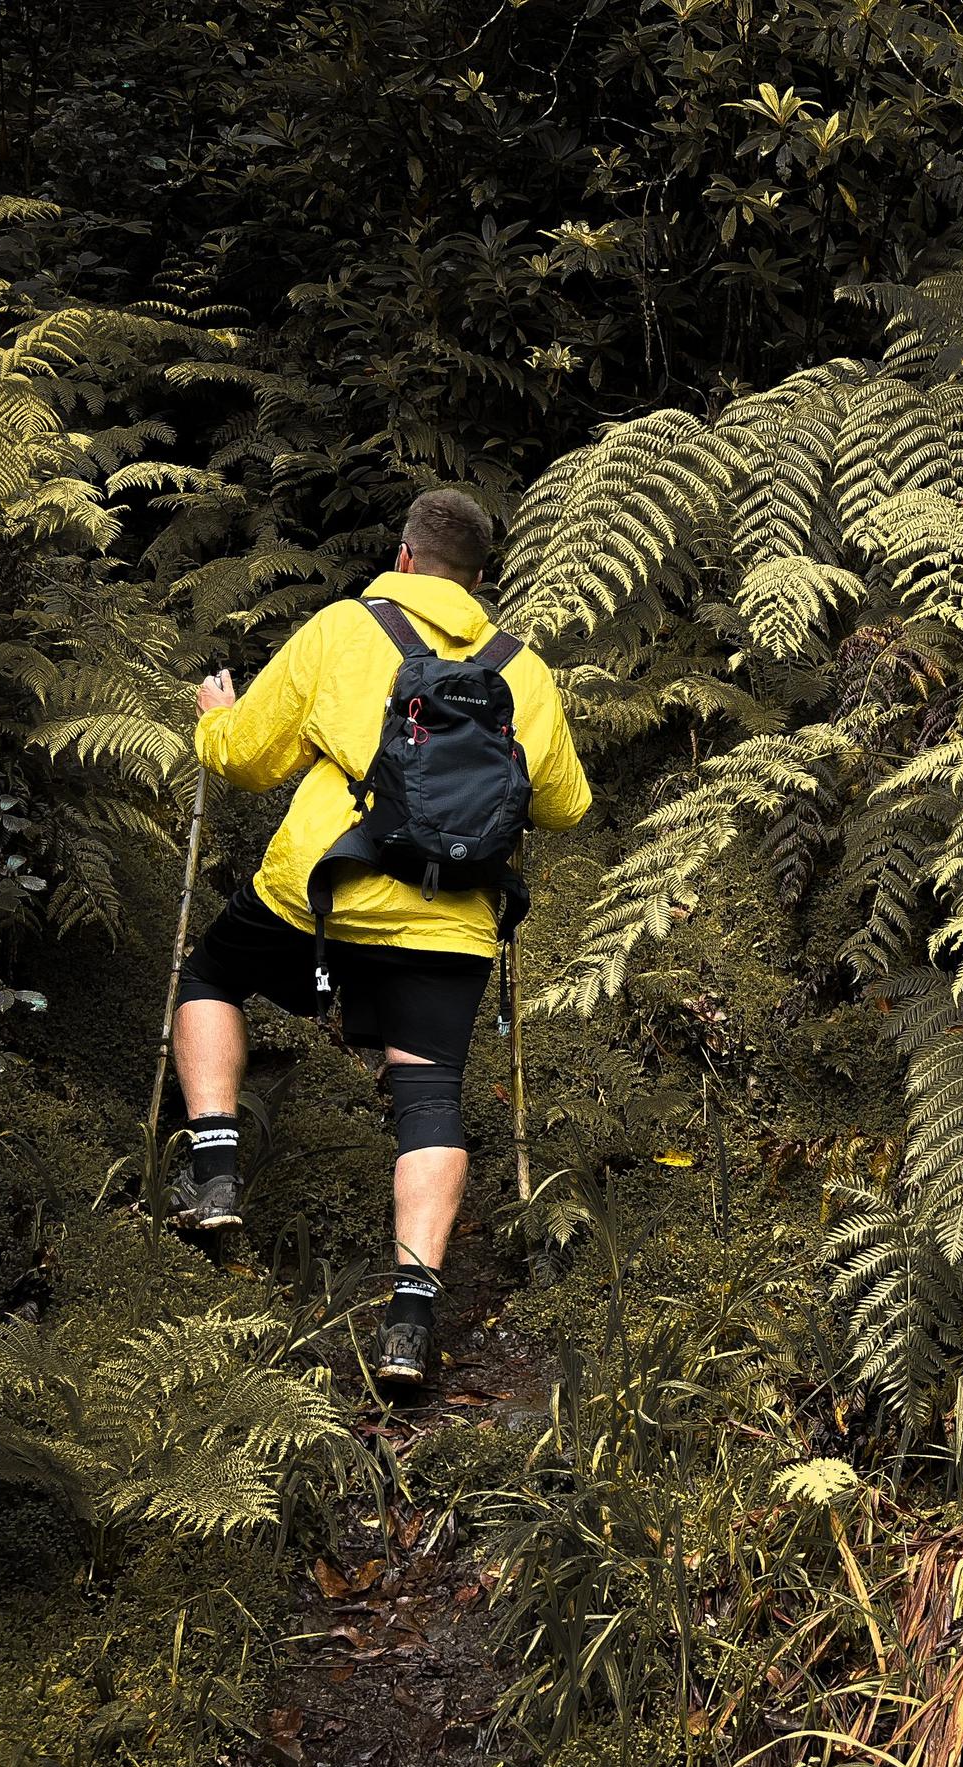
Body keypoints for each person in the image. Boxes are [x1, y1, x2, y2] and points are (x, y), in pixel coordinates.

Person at [167, 488, 590, 1382]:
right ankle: (407, 1325)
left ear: (404, 559)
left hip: (322, 900)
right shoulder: (525, 669)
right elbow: (565, 805)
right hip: (456, 923)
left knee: (208, 977)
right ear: (482, 581)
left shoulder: (344, 630)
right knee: (429, 1094)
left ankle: (213, 1170)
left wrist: (214, 720)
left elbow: (247, 757)